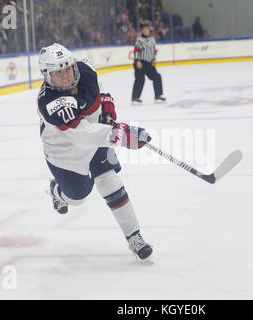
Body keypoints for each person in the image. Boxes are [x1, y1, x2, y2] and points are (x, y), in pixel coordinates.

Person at [37, 43, 153, 260]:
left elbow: (100, 87)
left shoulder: (85, 69)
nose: (66, 76)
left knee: (111, 182)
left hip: (97, 133)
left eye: (68, 69)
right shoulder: (50, 102)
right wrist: (121, 134)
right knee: (79, 196)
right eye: (58, 73)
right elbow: (82, 135)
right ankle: (57, 191)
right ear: (47, 76)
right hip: (65, 152)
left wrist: (107, 106)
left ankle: (134, 237)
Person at [131, 22, 166, 104]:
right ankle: (135, 98)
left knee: (157, 77)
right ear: (142, 31)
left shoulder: (152, 40)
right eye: (144, 29)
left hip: (149, 63)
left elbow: (154, 51)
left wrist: (153, 59)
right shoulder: (139, 40)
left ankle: (158, 95)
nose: (146, 31)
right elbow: (136, 51)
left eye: (147, 29)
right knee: (140, 79)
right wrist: (137, 61)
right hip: (140, 63)